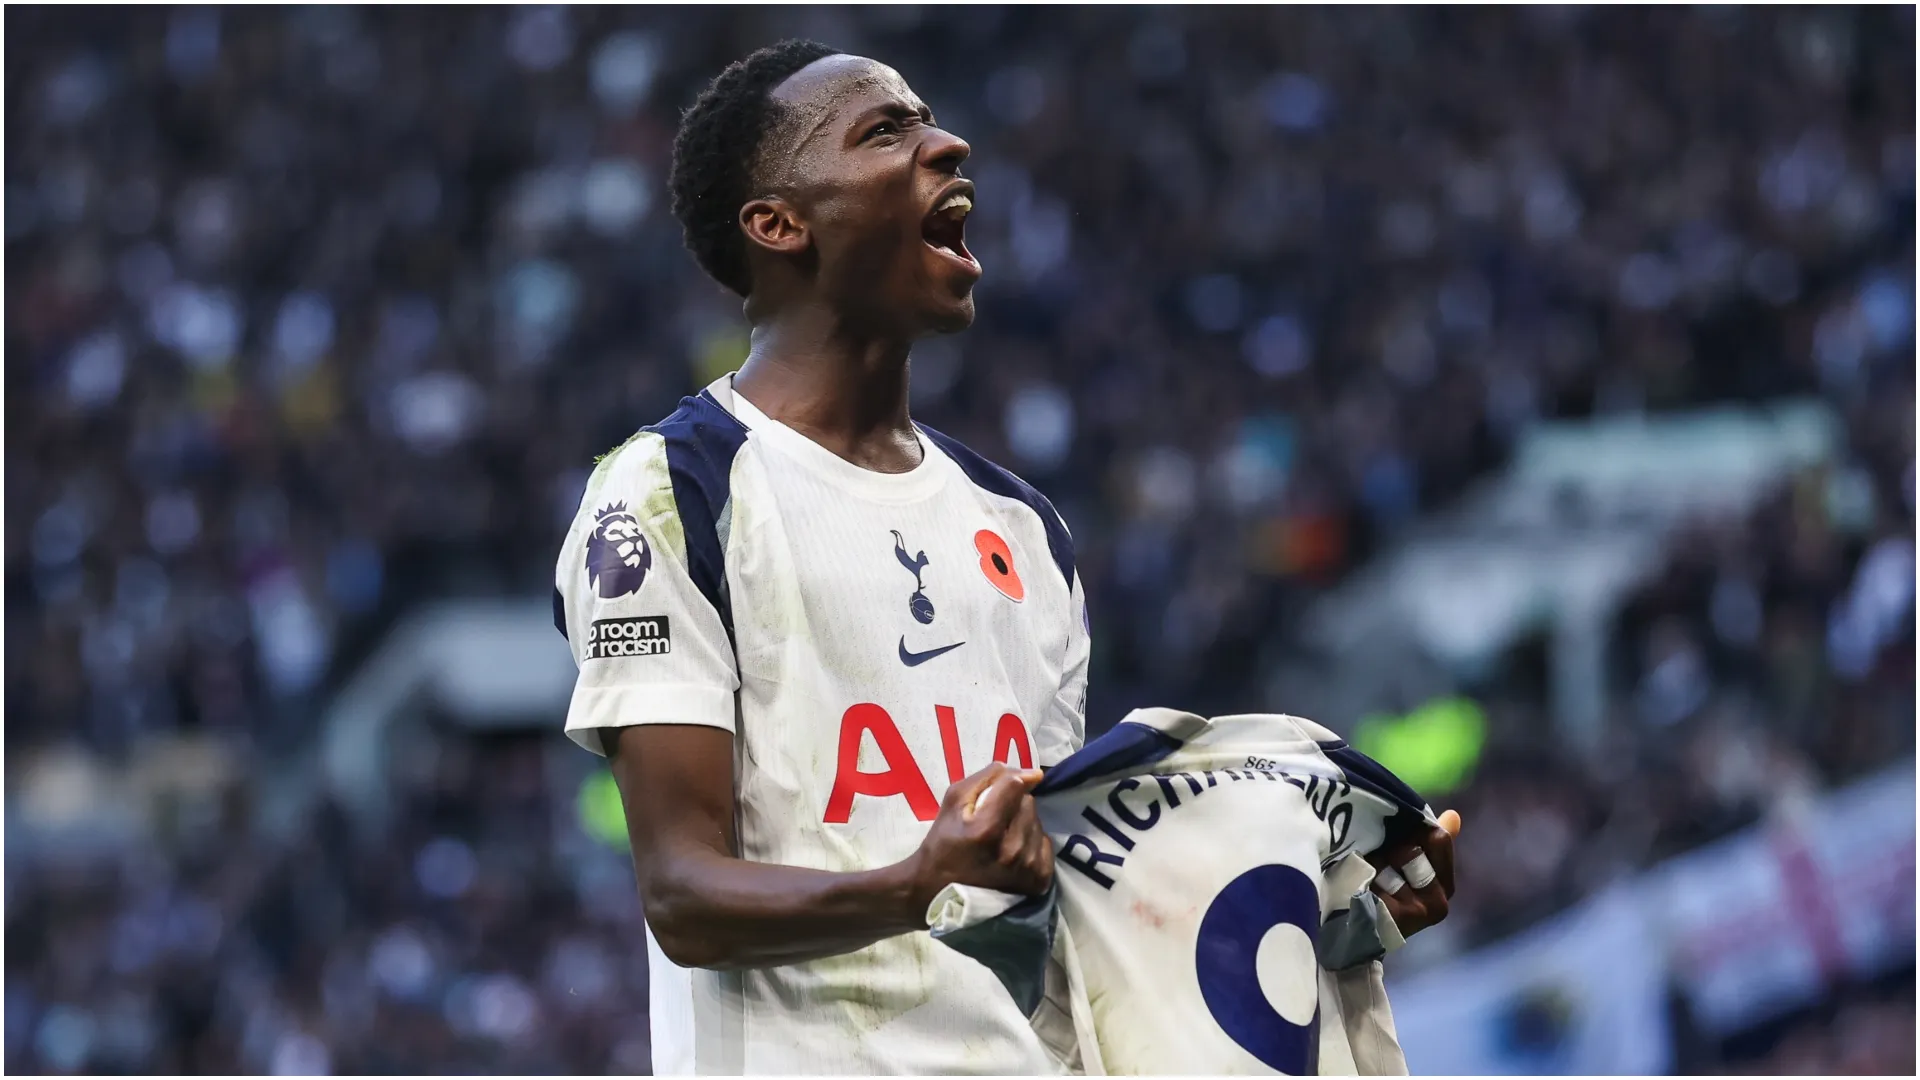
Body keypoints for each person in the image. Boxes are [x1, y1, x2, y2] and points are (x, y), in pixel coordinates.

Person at [553, 39, 1457, 1075]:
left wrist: (1338, 913)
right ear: (778, 223)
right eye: (885, 131)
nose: (949, 143)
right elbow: (682, 896)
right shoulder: (671, 493)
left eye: (926, 119)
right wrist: (913, 880)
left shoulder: (1022, 528)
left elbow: (1056, 901)